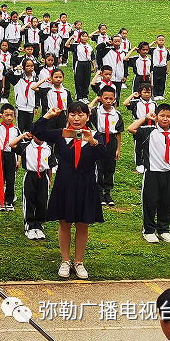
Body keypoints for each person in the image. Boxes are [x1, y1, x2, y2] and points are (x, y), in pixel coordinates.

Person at [32, 102, 106, 280]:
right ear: (68, 115)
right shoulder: (61, 134)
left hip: (86, 185)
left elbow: (103, 154)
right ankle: (65, 260)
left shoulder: (95, 135)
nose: (77, 118)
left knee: (82, 224)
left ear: (88, 116)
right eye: (73, 114)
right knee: (64, 223)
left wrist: (92, 141)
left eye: (81, 115)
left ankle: (78, 262)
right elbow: (37, 131)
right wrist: (48, 115)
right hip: (65, 184)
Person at [127, 104, 170, 245]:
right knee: (150, 202)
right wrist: (146, 118)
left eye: (168, 116)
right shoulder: (149, 131)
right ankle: (148, 230)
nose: (165, 119)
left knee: (167, 202)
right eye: (162, 116)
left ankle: (163, 229)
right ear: (157, 117)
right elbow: (131, 129)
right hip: (153, 173)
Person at [10, 131, 55, 240]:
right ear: (32, 135)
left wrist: (50, 180)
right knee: (29, 200)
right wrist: (23, 135)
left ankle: (39, 225)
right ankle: (29, 226)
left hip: (43, 177)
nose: (39, 138)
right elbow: (11, 144)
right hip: (30, 176)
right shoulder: (26, 146)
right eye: (37, 135)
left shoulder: (48, 148)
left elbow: (50, 166)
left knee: (42, 201)